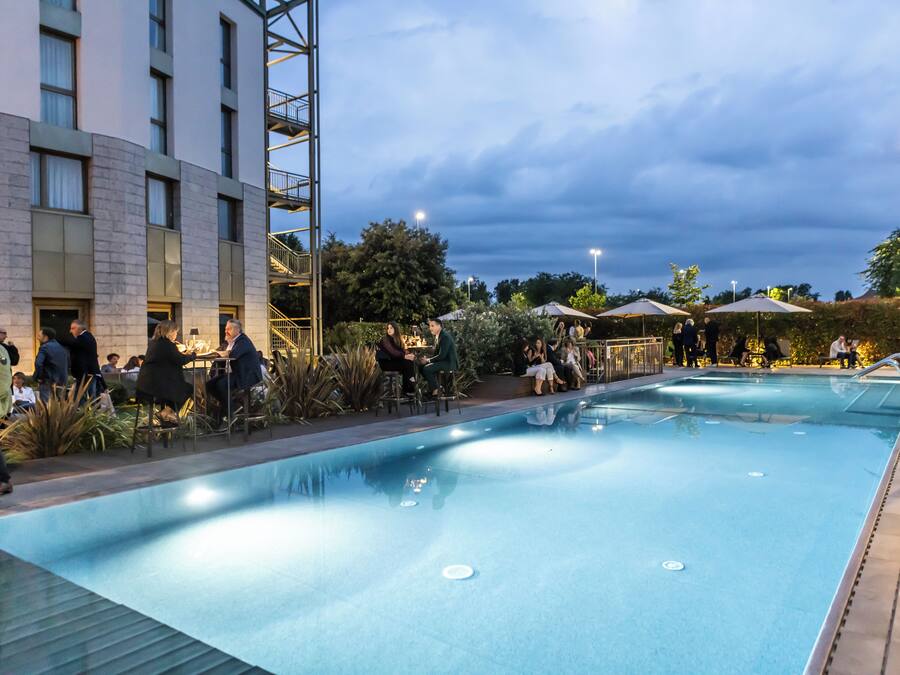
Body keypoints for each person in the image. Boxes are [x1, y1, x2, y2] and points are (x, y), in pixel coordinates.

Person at [136, 320, 196, 425]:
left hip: (145, 385)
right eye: (176, 332)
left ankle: (166, 414)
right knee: (188, 388)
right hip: (156, 387)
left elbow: (171, 358)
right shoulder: (167, 344)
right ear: (170, 331)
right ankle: (166, 413)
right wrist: (193, 355)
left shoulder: (154, 343)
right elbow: (181, 360)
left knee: (177, 388)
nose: (176, 335)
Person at [206, 318, 262, 424]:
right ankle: (231, 407)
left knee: (221, 385)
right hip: (237, 373)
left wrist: (219, 352)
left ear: (238, 330)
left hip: (247, 375)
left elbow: (233, 355)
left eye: (229, 329)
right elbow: (227, 353)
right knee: (210, 384)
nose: (226, 331)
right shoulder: (232, 341)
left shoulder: (243, 341)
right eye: (226, 328)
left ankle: (230, 412)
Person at [59, 319, 103, 398]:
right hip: (88, 372)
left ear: (80, 328)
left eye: (73, 328)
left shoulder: (84, 338)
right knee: (88, 396)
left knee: (80, 397)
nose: (70, 331)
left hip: (86, 373)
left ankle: (81, 410)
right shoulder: (87, 337)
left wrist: (56, 340)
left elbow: (72, 343)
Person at [417, 318, 459, 397]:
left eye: (432, 326)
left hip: (449, 363)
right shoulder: (438, 336)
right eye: (430, 326)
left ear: (439, 326)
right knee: (421, 367)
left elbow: (442, 355)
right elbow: (437, 354)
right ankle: (436, 388)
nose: (430, 328)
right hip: (443, 361)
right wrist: (427, 359)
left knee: (427, 368)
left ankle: (436, 390)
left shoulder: (445, 337)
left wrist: (428, 360)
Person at [376, 322, 417, 395]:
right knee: (407, 363)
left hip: (395, 361)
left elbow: (402, 351)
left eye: (391, 328)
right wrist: (405, 356)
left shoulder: (397, 340)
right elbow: (393, 352)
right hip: (386, 363)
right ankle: (410, 387)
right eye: (388, 328)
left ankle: (409, 387)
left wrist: (409, 355)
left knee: (410, 362)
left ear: (396, 329)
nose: (389, 330)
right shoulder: (385, 339)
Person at [33, 327, 69, 403]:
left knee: (46, 407)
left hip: (48, 380)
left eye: (39, 336)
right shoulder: (62, 348)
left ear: (45, 337)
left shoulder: (44, 347)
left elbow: (38, 363)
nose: (37, 338)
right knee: (59, 407)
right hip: (62, 381)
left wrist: (39, 376)